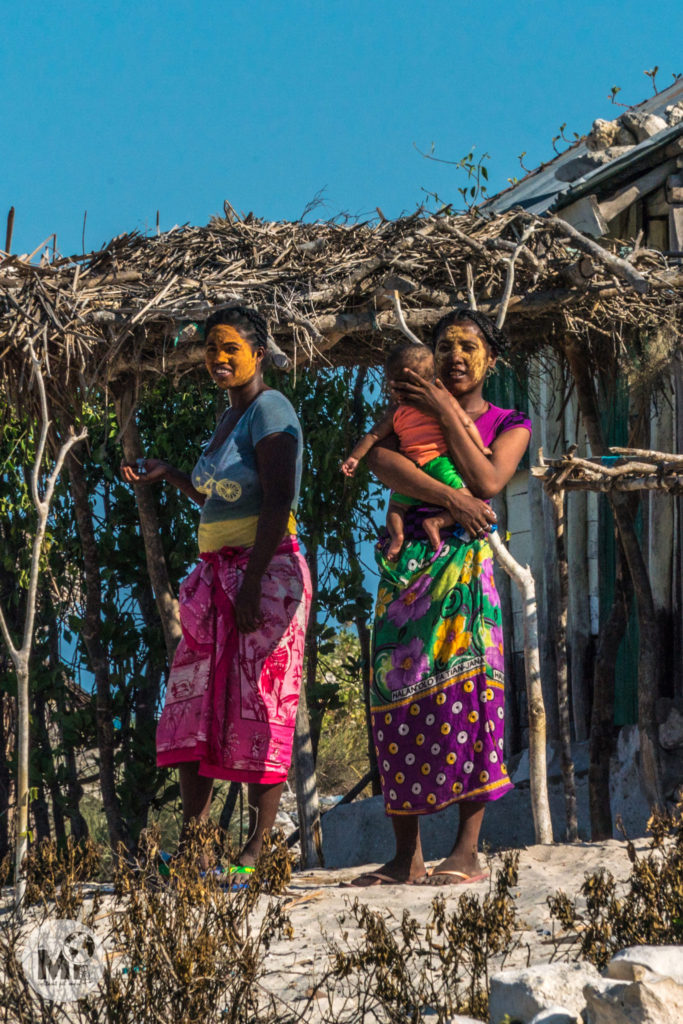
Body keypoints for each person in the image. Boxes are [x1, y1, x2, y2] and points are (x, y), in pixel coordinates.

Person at [121, 305, 311, 873]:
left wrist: (251, 583)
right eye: (210, 349)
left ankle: (255, 850)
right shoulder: (230, 419)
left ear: (258, 350)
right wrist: (171, 474)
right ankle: (197, 846)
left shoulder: (271, 409)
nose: (219, 358)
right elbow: (221, 498)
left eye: (230, 347)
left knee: (261, 702)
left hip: (265, 576)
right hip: (216, 579)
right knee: (196, 701)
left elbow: (278, 500)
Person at [350, 308, 531, 887]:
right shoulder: (403, 418)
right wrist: (449, 502)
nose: (456, 356)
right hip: (406, 573)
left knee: (469, 692)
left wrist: (446, 411)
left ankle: (467, 849)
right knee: (393, 694)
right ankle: (407, 856)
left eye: (468, 347)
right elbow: (381, 461)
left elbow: (487, 483)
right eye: (445, 346)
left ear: (491, 362)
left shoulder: (510, 423)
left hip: (463, 573)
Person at [341, 341, 491, 559]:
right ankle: (437, 522)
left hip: (412, 471)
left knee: (395, 508)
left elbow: (373, 435)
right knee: (469, 501)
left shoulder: (396, 411)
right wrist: (481, 448)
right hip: (439, 463)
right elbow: (466, 424)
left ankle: (397, 537)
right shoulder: (443, 401)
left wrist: (354, 457)